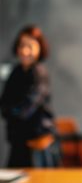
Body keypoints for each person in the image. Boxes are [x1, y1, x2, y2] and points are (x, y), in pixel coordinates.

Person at [0, 25, 56, 167]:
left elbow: (27, 108)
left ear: (39, 48)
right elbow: (4, 102)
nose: (24, 51)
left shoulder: (39, 73)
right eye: (21, 45)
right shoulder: (16, 72)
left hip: (36, 145)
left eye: (30, 46)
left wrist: (10, 111)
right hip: (18, 143)